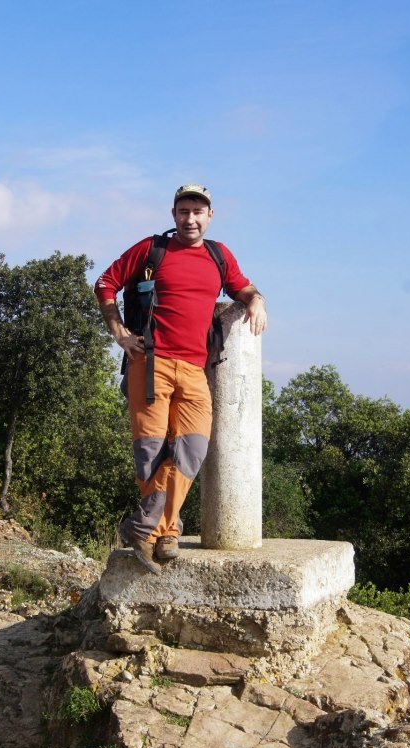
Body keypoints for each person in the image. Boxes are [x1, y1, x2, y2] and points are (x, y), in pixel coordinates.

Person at [94, 183, 267, 573]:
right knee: (151, 454)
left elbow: (243, 287)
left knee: (192, 449)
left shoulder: (218, 256)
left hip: (194, 369)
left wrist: (257, 300)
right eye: (184, 211)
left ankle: (143, 526)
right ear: (174, 215)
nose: (191, 219)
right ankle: (165, 532)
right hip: (149, 364)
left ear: (210, 216)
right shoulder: (151, 249)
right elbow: (105, 284)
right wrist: (120, 333)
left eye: (198, 212)